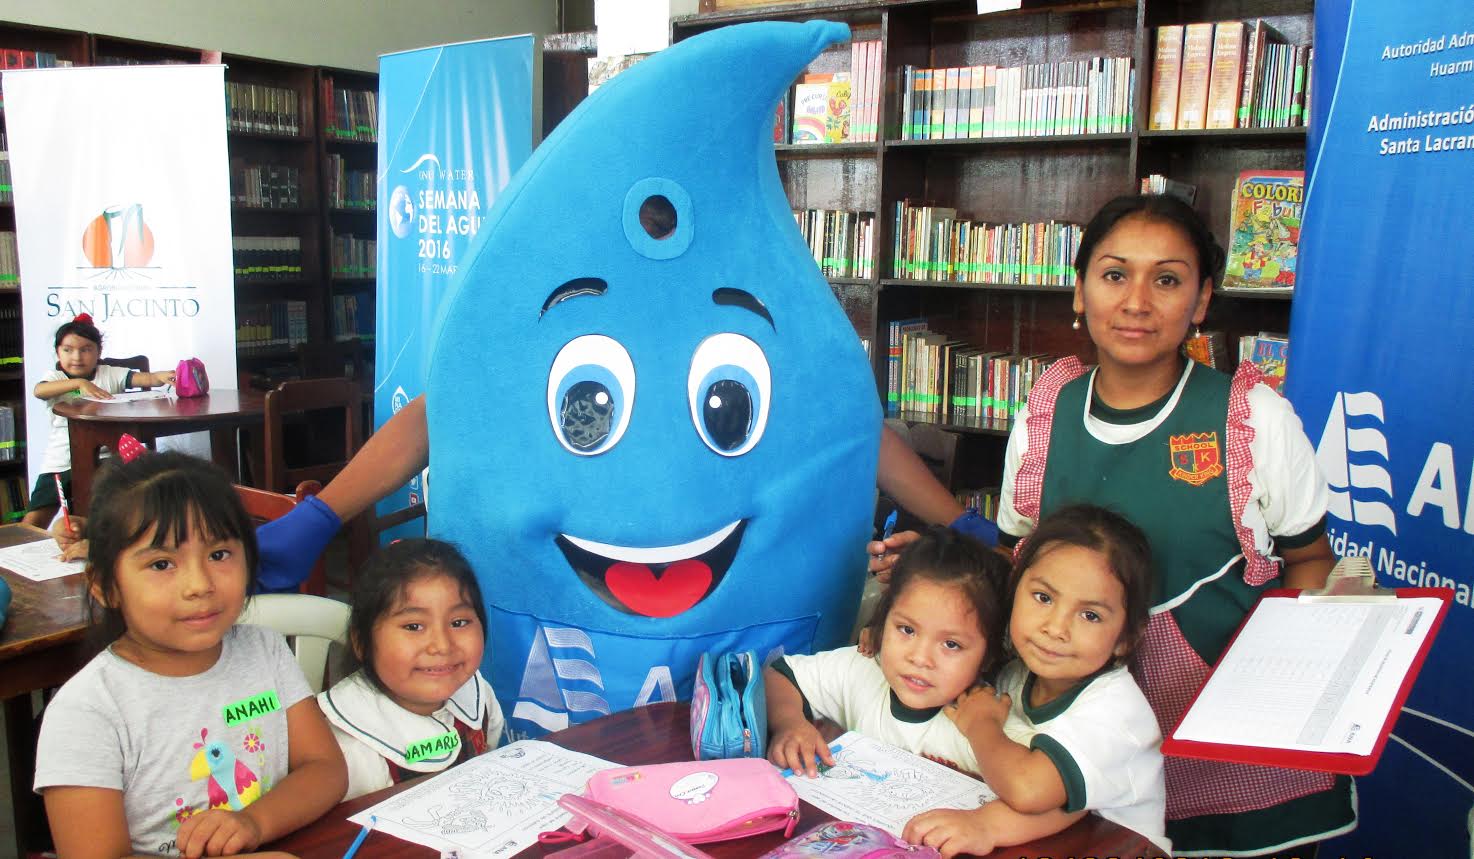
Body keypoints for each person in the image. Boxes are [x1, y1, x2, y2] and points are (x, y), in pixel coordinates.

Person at [876, 194, 1350, 855]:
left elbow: (1309, 557)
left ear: (1202, 299)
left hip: (1235, 763)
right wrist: (938, 563)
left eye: (1167, 279)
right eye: (1114, 274)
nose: (1136, 302)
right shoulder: (1048, 410)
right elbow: (1015, 561)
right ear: (1080, 288)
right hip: (1075, 757)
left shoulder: (1251, 418)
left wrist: (1275, 683)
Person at [252, 395, 981, 592]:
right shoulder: (563, 294)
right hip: (569, 597)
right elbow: (444, 410)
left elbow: (848, 421)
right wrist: (321, 513)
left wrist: (961, 527)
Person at [33, 451, 346, 859]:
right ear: (105, 586)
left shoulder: (265, 651)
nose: (199, 584)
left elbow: (325, 769)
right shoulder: (87, 712)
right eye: (162, 563)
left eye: (219, 555)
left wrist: (254, 822)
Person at [764, 527, 1081, 848]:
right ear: (882, 621)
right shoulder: (862, 671)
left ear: (988, 657)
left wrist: (986, 827)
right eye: (906, 629)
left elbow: (1066, 802)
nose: (920, 657)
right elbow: (780, 675)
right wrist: (791, 723)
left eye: (951, 644)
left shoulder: (986, 725)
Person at [903, 504, 1167, 858]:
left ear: (1126, 638)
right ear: (1015, 589)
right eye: (1043, 598)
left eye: (1090, 615)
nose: (1055, 628)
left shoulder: (1117, 714)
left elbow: (1028, 788)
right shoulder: (1019, 672)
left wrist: (983, 726)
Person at [318, 538, 505, 800]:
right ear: (361, 643)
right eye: (414, 627)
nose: (442, 645)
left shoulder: (478, 695)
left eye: (459, 622)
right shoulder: (347, 752)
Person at [25, 313, 176, 530]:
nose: (76, 357)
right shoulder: (56, 378)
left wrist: (161, 376)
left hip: (108, 462)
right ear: (58, 352)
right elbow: (40, 391)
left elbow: (145, 379)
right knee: (34, 522)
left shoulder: (109, 374)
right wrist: (78, 383)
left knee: (112, 516)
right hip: (62, 461)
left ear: (98, 352)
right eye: (68, 350)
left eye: (86, 349)